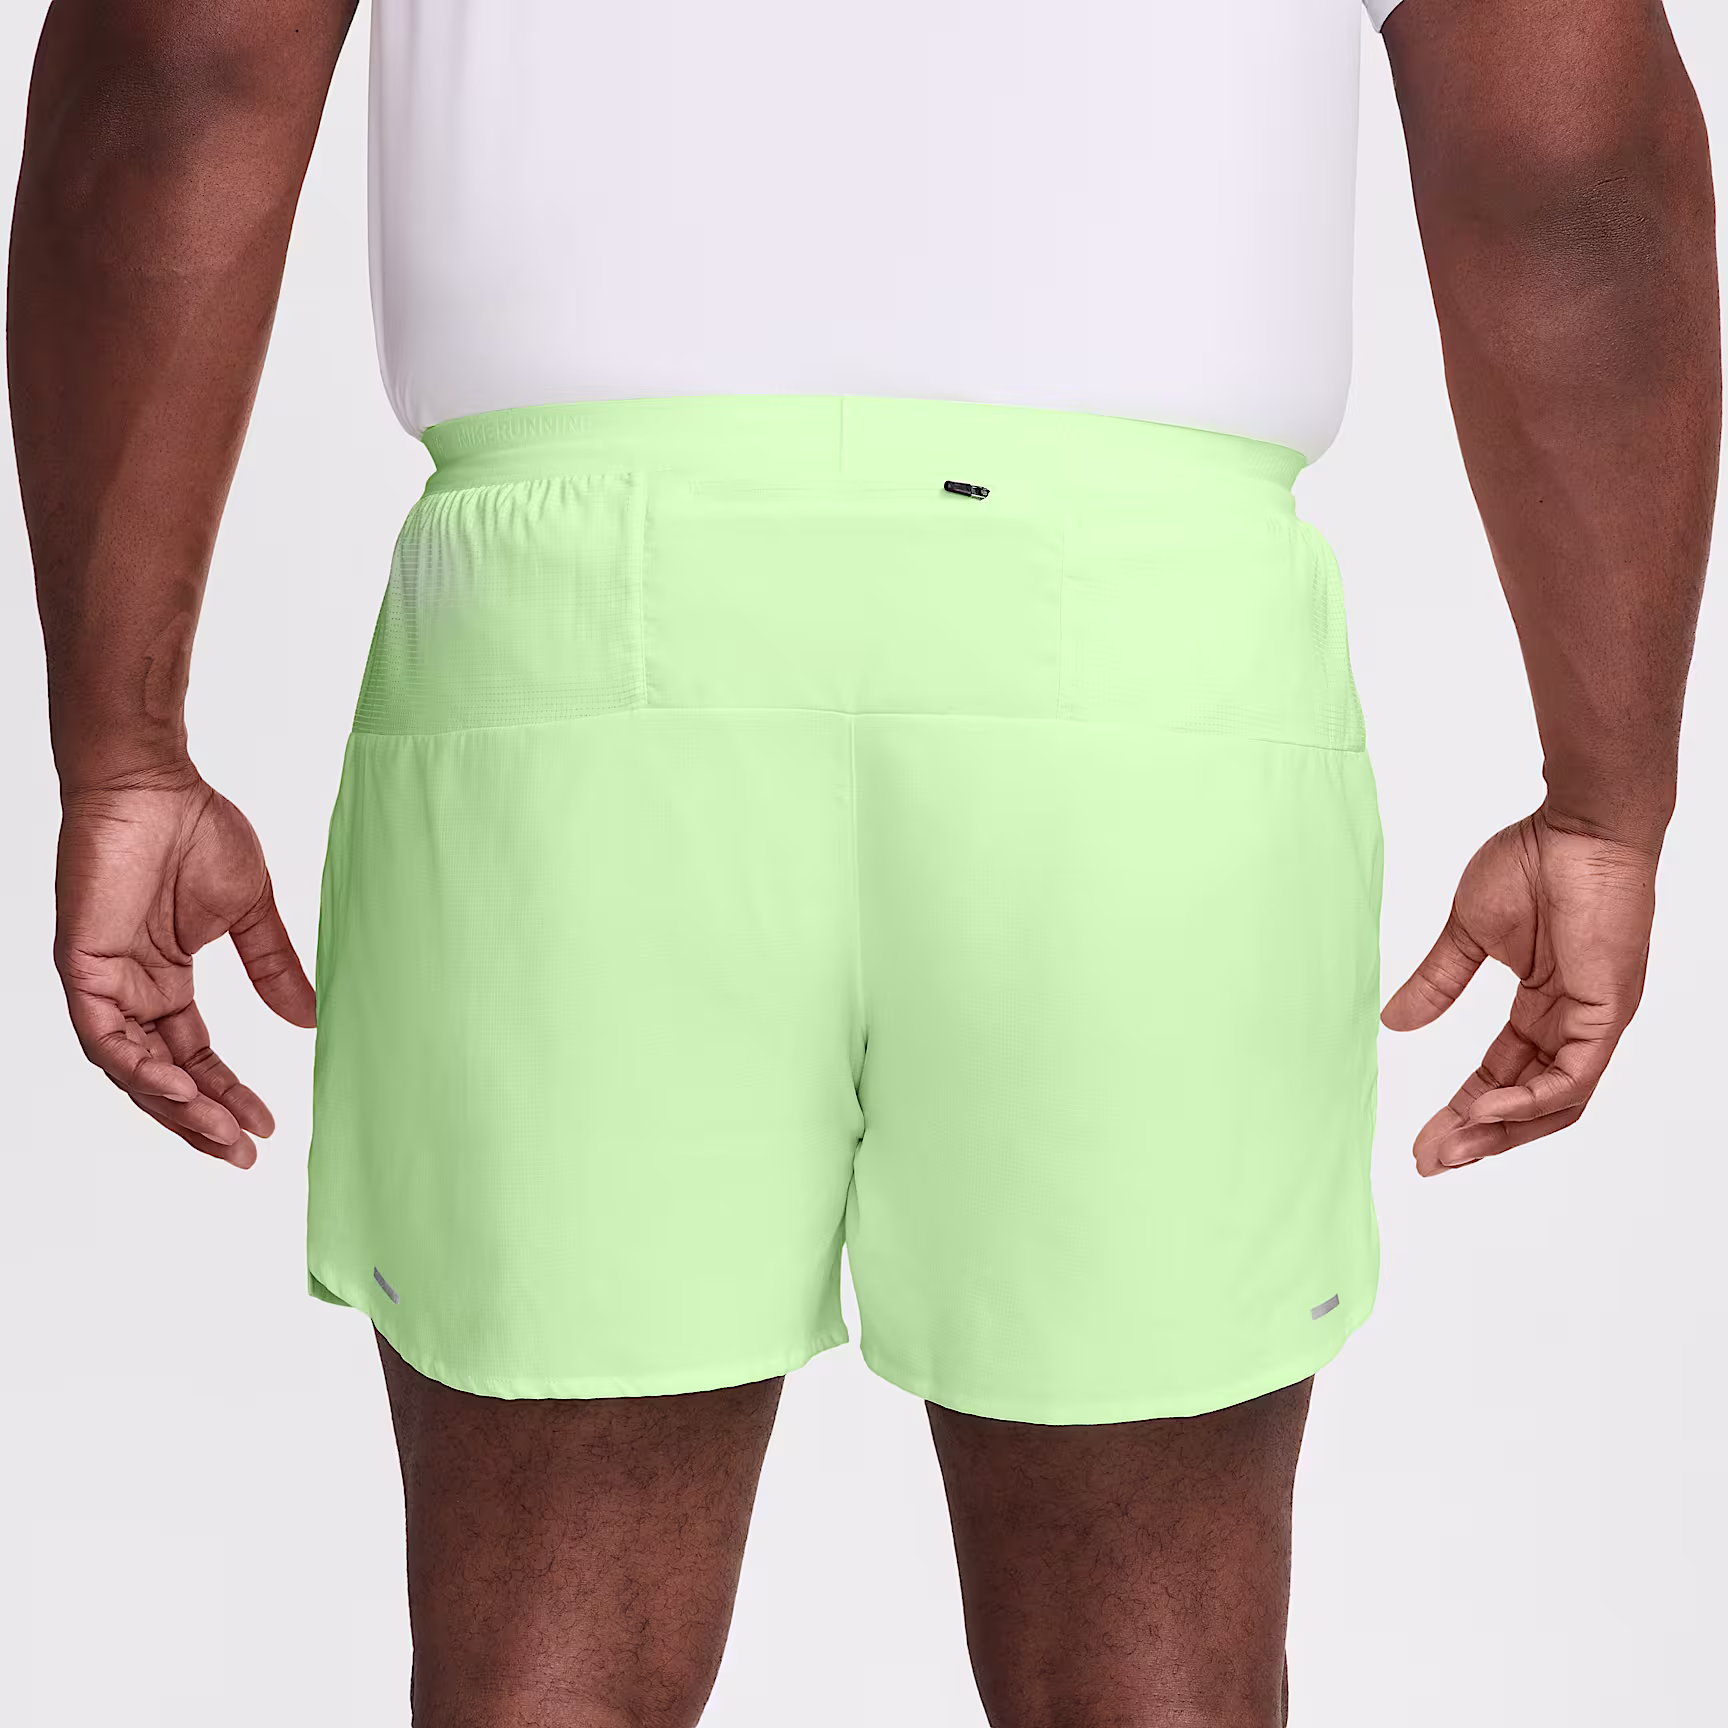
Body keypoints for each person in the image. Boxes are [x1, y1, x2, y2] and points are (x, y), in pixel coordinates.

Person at [11, 0, 1716, 1722]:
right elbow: (1573, 181)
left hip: (569, 632)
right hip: (1150, 642)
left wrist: (121, 744)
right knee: (1151, 1684)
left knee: (544, 1676)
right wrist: (1604, 792)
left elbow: (174, 85)